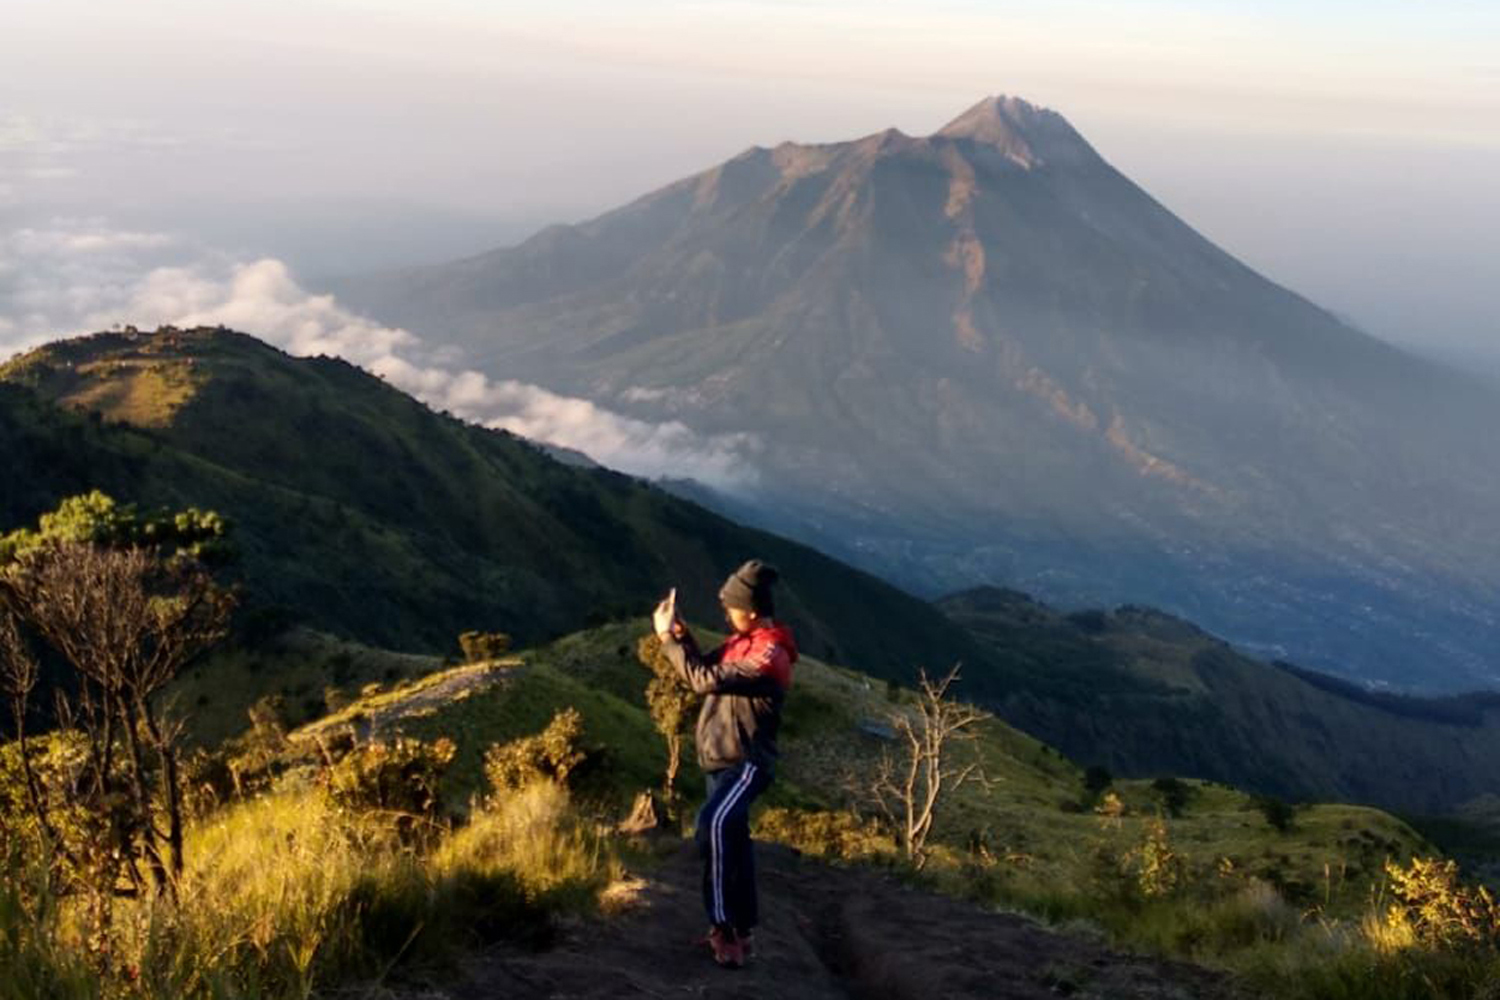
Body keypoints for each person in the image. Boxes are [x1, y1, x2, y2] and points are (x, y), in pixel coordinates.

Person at [652, 559, 797, 969]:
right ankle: (742, 929)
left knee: (713, 826)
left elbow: (703, 680)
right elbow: (707, 667)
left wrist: (666, 639)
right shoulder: (743, 642)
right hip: (722, 760)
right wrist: (682, 636)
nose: (727, 614)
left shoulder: (768, 654)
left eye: (731, 607)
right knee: (733, 840)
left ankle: (725, 927)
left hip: (745, 761)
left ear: (750, 610)